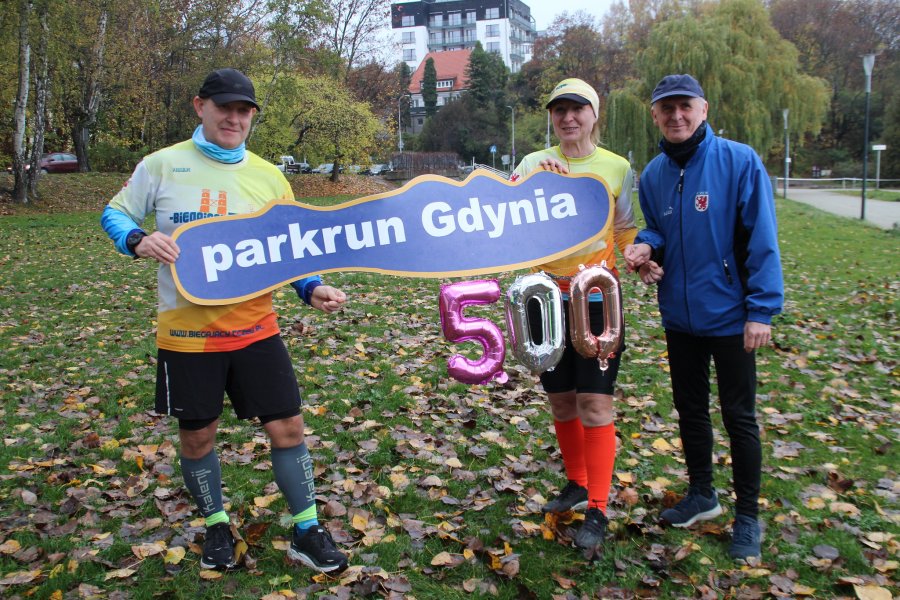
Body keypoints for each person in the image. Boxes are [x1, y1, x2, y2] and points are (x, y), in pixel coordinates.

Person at [100, 68, 349, 574]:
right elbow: (115, 213)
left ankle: (306, 528)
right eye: (224, 108)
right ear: (200, 107)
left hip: (257, 328)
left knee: (289, 428)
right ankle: (216, 524)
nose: (234, 118)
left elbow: (291, 249)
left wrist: (311, 286)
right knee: (198, 438)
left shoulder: (268, 176)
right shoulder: (162, 165)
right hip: (187, 334)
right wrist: (137, 240)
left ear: (252, 117)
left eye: (244, 111)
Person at [623, 74, 784, 561]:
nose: (676, 116)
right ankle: (702, 495)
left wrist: (761, 310)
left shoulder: (738, 161)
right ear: (655, 115)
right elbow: (659, 228)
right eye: (666, 108)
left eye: (684, 107)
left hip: (733, 317)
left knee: (739, 417)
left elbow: (761, 239)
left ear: (703, 108)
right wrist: (647, 247)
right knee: (690, 410)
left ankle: (748, 517)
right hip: (679, 318)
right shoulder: (652, 174)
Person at [511, 78, 637, 551]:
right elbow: (509, 226)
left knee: (596, 405)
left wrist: (639, 254)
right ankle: (577, 482)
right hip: (546, 298)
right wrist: (533, 186)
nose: (567, 118)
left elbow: (624, 229)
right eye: (559, 110)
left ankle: (600, 509)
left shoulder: (616, 167)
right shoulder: (531, 164)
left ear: (594, 115)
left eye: (577, 109)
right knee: (562, 401)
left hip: (597, 299)